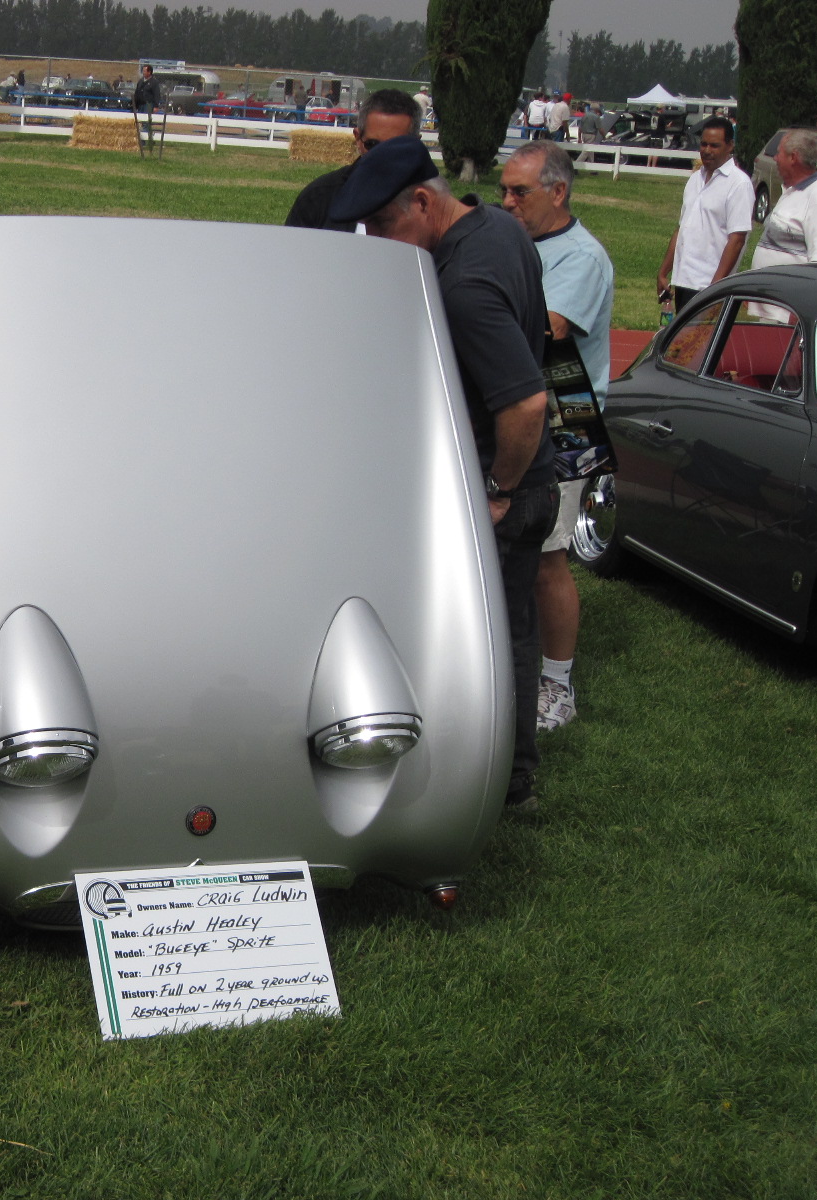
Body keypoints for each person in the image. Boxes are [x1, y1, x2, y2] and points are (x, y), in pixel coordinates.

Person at [328, 137, 558, 813]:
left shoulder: (462, 285)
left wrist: (498, 491)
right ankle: (508, 775)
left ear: (423, 202)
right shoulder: (499, 226)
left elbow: (525, 401)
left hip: (505, 482)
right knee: (511, 627)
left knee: (481, 637)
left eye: (383, 227)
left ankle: (501, 784)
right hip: (525, 479)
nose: (377, 242)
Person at [500, 142, 614, 733]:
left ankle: (557, 684)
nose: (507, 202)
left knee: (548, 556)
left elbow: (550, 327)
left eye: (520, 192)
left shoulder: (582, 257)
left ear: (558, 192)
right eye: (504, 191)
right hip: (521, 407)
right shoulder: (521, 241)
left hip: (567, 415)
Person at [283, 88, 422, 231]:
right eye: (373, 145)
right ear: (358, 139)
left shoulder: (431, 208)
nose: (383, 157)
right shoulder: (318, 198)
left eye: (396, 147)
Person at [657, 116, 753, 312]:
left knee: (703, 342)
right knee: (681, 342)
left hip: (709, 285)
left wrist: (715, 288)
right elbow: (681, 229)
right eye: (704, 144)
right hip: (684, 280)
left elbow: (736, 240)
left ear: (730, 146)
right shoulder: (695, 180)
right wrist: (664, 272)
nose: (707, 151)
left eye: (715, 146)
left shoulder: (739, 184)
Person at [750, 128, 817, 272]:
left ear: (793, 158)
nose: (775, 158)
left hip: (788, 292)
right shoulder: (792, 190)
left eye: (779, 153)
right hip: (767, 289)